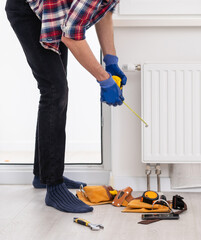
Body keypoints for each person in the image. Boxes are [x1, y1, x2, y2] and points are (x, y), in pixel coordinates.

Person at [5, 0, 127, 213]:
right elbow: (71, 35)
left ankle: (42, 175)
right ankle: (54, 185)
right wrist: (103, 78)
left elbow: (104, 11)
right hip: (27, 10)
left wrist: (111, 59)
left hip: (54, 12)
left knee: (56, 89)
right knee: (54, 90)